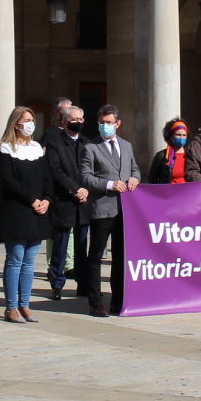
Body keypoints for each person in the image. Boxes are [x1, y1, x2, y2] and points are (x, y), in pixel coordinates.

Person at [0, 107, 52, 323]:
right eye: (26, 120)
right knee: (15, 259)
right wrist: (32, 199)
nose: (30, 124)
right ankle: (11, 307)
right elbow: (9, 182)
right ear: (16, 124)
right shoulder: (5, 150)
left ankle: (25, 305)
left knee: (30, 262)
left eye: (32, 120)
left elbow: (47, 177)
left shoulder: (37, 148)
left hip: (38, 211)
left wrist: (47, 199)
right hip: (16, 211)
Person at [80, 104, 137, 316]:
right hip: (102, 208)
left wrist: (134, 178)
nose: (105, 126)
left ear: (117, 124)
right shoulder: (91, 147)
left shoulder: (127, 145)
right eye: (102, 123)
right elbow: (85, 177)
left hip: (124, 210)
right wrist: (110, 184)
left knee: (121, 256)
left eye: (109, 123)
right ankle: (96, 302)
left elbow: (135, 169)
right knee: (95, 255)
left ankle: (119, 300)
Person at [44, 104, 89, 300]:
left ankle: (82, 283)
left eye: (80, 119)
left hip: (84, 202)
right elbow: (55, 171)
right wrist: (74, 188)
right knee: (60, 245)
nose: (77, 122)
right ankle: (56, 283)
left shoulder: (88, 143)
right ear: (64, 121)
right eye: (74, 119)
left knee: (81, 246)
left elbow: (91, 170)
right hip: (64, 200)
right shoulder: (55, 143)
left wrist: (86, 189)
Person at [147, 120, 190, 184]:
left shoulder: (191, 155)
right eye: (178, 135)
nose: (181, 138)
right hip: (169, 193)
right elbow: (152, 179)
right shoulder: (161, 156)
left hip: (188, 192)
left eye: (184, 135)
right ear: (171, 137)